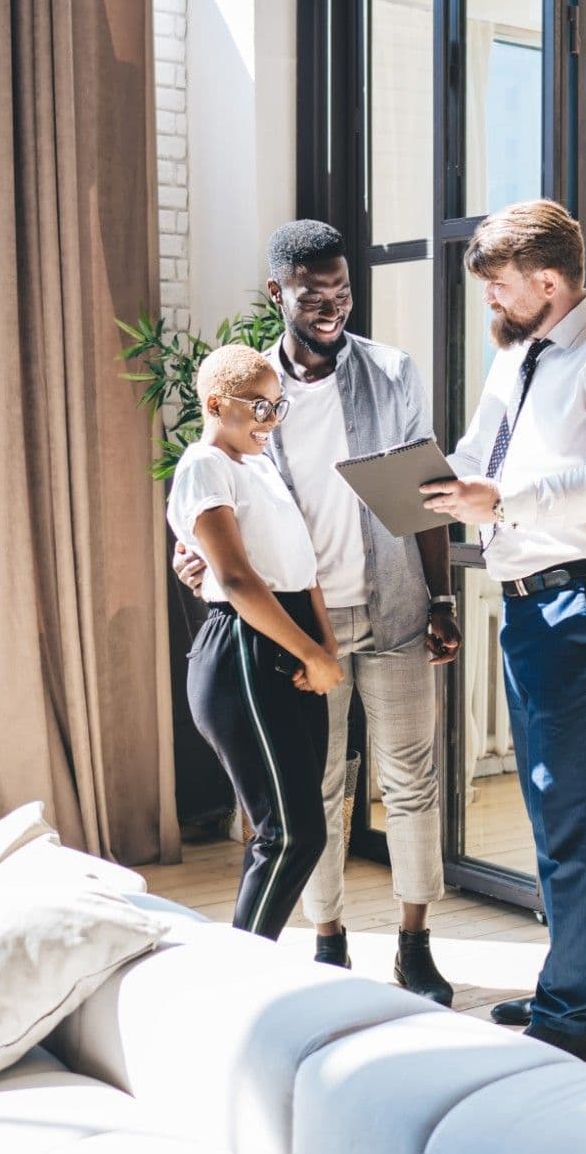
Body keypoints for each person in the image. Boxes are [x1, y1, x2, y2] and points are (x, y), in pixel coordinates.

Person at [176, 219, 462, 1003]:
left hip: (396, 604)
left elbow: (424, 494)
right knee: (321, 786)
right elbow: (218, 507)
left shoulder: (392, 372)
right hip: (304, 627)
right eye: (313, 292)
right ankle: (328, 941)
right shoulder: (249, 394)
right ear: (280, 294)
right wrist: (193, 555)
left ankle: (415, 943)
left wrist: (440, 596)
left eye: (341, 288)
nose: (331, 304)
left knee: (411, 779)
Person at [421, 199, 586, 1062]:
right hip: (528, 599)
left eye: (499, 287)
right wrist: (428, 479)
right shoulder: (520, 356)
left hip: (584, 599)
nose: (492, 301)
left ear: (548, 282)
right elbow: (480, 452)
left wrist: (509, 502)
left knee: (565, 804)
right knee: (561, 801)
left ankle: (569, 1013)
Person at [167, 343, 344, 940]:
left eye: (277, 407)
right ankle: (241, 974)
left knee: (295, 830)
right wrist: (311, 654)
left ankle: (244, 967)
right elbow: (238, 579)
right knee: (290, 833)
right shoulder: (203, 464)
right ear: (217, 405)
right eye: (258, 408)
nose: (270, 421)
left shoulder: (260, 466)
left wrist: (324, 645)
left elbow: (303, 566)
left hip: (289, 638)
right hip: (244, 646)